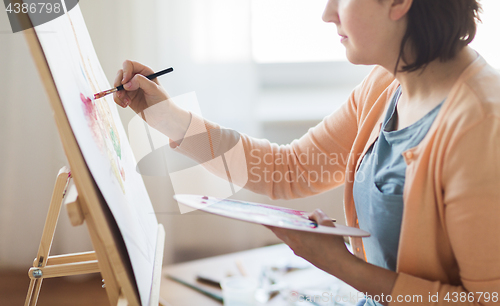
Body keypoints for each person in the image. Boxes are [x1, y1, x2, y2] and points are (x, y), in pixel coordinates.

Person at [114, 0, 500, 305]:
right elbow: (289, 170)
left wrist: (340, 264)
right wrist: (168, 118)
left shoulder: (481, 127)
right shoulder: (389, 80)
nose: (326, 14)